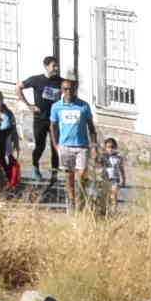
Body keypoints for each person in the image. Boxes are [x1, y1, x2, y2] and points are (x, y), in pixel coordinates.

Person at [50, 76, 96, 206]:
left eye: (71, 89)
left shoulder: (83, 106)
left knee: (81, 174)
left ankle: (82, 198)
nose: (68, 92)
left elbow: (91, 127)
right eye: (65, 89)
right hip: (65, 146)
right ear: (61, 90)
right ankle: (71, 201)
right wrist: (55, 144)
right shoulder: (56, 107)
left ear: (75, 89)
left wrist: (94, 146)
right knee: (69, 176)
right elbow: (52, 126)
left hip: (82, 146)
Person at [18, 56, 62, 180]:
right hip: (40, 118)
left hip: (54, 120)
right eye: (54, 66)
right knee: (40, 146)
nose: (56, 68)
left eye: (57, 66)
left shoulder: (59, 81)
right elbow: (18, 87)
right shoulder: (36, 80)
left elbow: (70, 88)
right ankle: (35, 166)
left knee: (55, 147)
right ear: (46, 66)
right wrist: (28, 105)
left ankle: (54, 174)